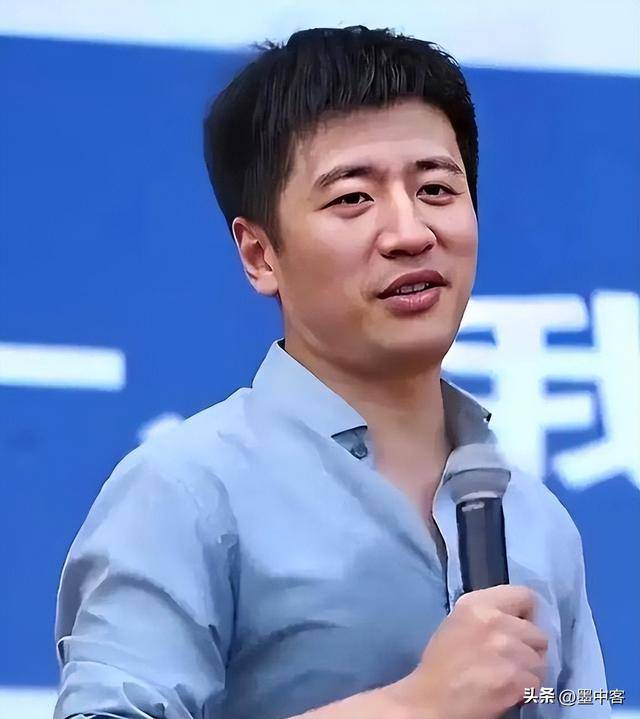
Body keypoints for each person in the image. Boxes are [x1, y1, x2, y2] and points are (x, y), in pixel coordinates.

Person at [54, 26, 610, 719]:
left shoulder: (535, 518)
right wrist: (416, 705)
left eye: (436, 188)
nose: (410, 232)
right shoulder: (188, 488)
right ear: (259, 254)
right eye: (353, 198)